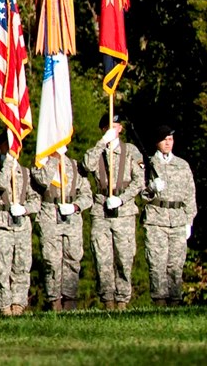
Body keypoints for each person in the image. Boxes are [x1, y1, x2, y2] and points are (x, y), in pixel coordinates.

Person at [82, 114, 144, 310]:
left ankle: (123, 300)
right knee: (102, 259)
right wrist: (102, 143)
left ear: (121, 129)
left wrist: (122, 199)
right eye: (108, 127)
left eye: (115, 126)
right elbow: (87, 165)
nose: (112, 130)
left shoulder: (130, 151)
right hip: (101, 211)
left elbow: (139, 181)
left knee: (125, 258)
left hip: (124, 212)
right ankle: (108, 301)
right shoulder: (95, 152)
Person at [141, 124, 198, 305]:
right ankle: (159, 302)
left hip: (178, 219)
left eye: (170, 139)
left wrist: (189, 221)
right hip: (156, 220)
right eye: (164, 139)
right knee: (157, 264)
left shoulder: (182, 165)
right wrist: (151, 188)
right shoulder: (148, 164)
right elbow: (140, 193)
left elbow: (190, 194)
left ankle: (175, 302)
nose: (168, 143)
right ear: (157, 142)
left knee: (176, 265)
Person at [31, 149, 93, 311]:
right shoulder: (40, 164)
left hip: (71, 218)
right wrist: (54, 159)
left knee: (72, 259)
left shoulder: (74, 166)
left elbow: (87, 195)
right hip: (49, 215)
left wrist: (75, 206)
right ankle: (54, 301)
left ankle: (70, 301)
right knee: (51, 261)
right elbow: (43, 181)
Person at [0, 144, 40, 315]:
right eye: (7, 146)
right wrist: (8, 163)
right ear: (0, 148)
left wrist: (25, 209)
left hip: (21, 226)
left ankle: (18, 304)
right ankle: (4, 305)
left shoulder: (25, 173)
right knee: (2, 268)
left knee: (22, 267)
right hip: (2, 225)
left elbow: (36, 200)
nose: (12, 149)